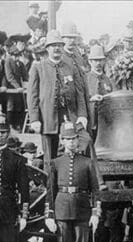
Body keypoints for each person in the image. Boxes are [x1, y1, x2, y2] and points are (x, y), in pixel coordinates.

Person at [45, 120, 100, 242]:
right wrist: (49, 215)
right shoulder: (55, 163)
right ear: (61, 141)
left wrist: (95, 213)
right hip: (61, 210)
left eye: (74, 138)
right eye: (67, 139)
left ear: (78, 140)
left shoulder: (87, 162)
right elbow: (51, 190)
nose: (71, 142)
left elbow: (95, 190)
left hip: (82, 210)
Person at [27, 30, 87, 173]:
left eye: (59, 45)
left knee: (75, 149)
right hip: (48, 118)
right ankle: (51, 191)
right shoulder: (38, 67)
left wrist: (82, 114)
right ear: (47, 48)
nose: (57, 48)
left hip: (68, 116)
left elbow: (80, 93)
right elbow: (32, 95)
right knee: (50, 158)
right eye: (53, 45)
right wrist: (35, 119)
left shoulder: (70, 67)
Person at [0, 111, 29, 242]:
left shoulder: (17, 160)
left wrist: (24, 215)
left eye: (3, 132)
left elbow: (25, 190)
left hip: (8, 213)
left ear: (8, 133)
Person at [87, 45, 113, 138]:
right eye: (95, 60)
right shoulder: (85, 79)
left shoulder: (108, 80)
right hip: (90, 120)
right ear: (90, 62)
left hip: (105, 121)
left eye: (100, 60)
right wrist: (91, 98)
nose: (98, 63)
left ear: (104, 61)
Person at [4, 45, 28, 132]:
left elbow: (26, 76)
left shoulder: (20, 64)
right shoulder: (8, 62)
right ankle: (10, 126)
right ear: (11, 55)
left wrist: (28, 85)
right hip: (11, 89)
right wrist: (17, 87)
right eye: (15, 55)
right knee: (10, 106)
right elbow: (9, 77)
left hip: (19, 90)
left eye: (18, 55)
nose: (16, 57)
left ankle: (18, 125)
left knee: (19, 107)